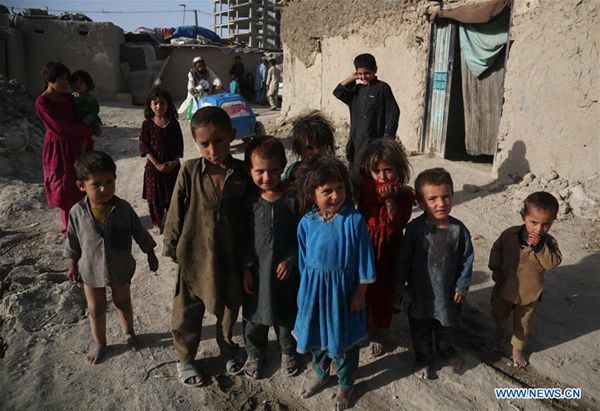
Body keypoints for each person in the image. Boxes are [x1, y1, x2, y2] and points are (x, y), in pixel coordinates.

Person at [163, 106, 248, 386]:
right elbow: (176, 208)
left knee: (228, 307)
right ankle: (186, 359)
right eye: (205, 144)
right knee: (187, 310)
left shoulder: (242, 172)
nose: (213, 149)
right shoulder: (189, 171)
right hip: (195, 252)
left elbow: (250, 212)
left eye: (219, 140)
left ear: (232, 136)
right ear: (196, 143)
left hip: (229, 254)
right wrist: (172, 243)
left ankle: (227, 348)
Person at [293, 155, 375, 411]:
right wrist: (305, 295)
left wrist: (361, 291)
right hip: (315, 294)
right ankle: (320, 372)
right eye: (326, 190)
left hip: (344, 294)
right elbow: (304, 261)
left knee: (344, 341)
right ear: (312, 193)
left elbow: (365, 258)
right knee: (316, 336)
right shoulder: (306, 223)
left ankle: (345, 384)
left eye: (340, 188)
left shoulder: (354, 220)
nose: (335, 196)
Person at [65, 151, 159, 364]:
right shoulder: (77, 212)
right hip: (90, 268)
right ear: (81, 186)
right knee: (96, 308)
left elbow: (139, 231)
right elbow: (72, 240)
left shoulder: (123, 208)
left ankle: (129, 333)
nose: (104, 188)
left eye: (109, 182)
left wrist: (150, 252)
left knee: (123, 302)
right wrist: (71, 262)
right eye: (96, 184)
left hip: (119, 266)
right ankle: (100, 343)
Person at [394, 168, 473, 380]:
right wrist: (400, 283)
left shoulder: (459, 230)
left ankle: (445, 351)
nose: (441, 203)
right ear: (421, 203)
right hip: (420, 294)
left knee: (446, 326)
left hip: (448, 294)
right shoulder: (414, 230)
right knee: (420, 330)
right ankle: (423, 359)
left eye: (445, 196)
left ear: (452, 196)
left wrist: (462, 285)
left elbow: (467, 259)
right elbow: (403, 259)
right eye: (432, 199)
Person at [240, 136, 300, 380]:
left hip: (284, 272)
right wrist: (245, 267)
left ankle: (287, 350)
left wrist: (290, 259)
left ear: (283, 166)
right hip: (255, 272)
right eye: (260, 171)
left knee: (285, 313)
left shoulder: (292, 201)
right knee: (254, 315)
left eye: (274, 170)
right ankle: (255, 353)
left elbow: (301, 235)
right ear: (249, 171)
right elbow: (241, 237)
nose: (267, 177)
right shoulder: (248, 202)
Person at [489, 191, 562, 368]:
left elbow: (552, 263)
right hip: (504, 286)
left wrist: (539, 248)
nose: (539, 229)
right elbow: (496, 249)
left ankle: (517, 349)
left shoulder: (549, 243)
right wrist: (495, 268)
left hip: (530, 292)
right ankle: (499, 331)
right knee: (499, 312)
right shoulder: (509, 234)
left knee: (523, 323)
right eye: (534, 222)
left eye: (546, 225)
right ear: (524, 216)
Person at [357, 139, 414, 357]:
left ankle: (378, 331)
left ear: (399, 170)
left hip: (391, 249)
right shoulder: (366, 188)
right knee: (365, 287)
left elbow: (398, 223)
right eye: (376, 171)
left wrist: (391, 199)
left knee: (384, 291)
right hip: (367, 245)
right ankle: (363, 322)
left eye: (387, 170)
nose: (381, 177)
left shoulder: (404, 196)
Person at [35, 62, 94, 234]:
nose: (64, 83)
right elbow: (58, 128)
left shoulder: (69, 98)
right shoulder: (42, 101)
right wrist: (85, 131)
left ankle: (85, 219)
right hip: (58, 148)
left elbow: (82, 115)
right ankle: (69, 224)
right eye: (60, 78)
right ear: (48, 78)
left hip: (78, 145)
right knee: (64, 185)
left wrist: (91, 125)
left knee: (81, 182)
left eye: (66, 79)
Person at [333, 53, 400, 185]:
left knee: (373, 174)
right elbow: (338, 92)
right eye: (360, 74)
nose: (363, 77)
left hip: (374, 141)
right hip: (356, 141)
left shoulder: (382, 88)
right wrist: (352, 78)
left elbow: (394, 112)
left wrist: (388, 138)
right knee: (356, 175)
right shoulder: (356, 91)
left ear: (375, 70)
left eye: (367, 73)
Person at [139, 86, 184, 235]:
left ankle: (173, 221)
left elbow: (179, 144)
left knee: (174, 195)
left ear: (168, 104)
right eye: (155, 103)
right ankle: (156, 223)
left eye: (163, 103)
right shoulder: (147, 125)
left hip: (172, 167)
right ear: (150, 105)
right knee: (154, 198)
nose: (159, 106)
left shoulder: (174, 124)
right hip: (154, 168)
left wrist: (175, 162)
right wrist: (157, 164)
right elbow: (144, 146)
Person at [283, 110, 336, 184]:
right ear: (299, 150)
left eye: (321, 146)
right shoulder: (292, 173)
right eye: (309, 148)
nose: (317, 152)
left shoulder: (335, 173)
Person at [70, 70, 102, 138]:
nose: (77, 85)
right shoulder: (73, 96)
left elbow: (95, 109)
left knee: (84, 137)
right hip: (77, 120)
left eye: (81, 82)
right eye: (75, 82)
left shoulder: (90, 98)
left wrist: (89, 118)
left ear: (87, 84)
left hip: (87, 120)